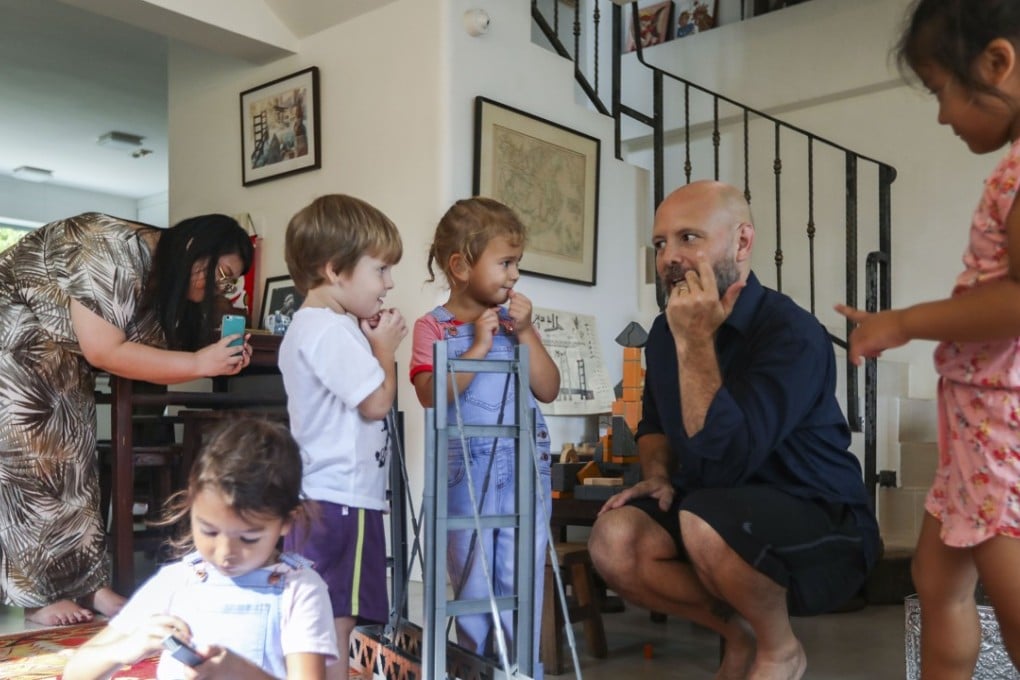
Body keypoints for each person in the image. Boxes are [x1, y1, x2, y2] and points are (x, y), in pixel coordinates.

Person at [589, 180, 880, 680]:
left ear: (742, 243)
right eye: (661, 244)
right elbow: (655, 422)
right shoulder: (663, 331)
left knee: (706, 517)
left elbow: (727, 459)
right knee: (614, 538)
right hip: (712, 511)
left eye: (689, 238)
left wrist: (697, 344)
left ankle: (779, 648)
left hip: (819, 518)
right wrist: (658, 473)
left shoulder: (791, 333)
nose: (670, 258)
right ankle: (737, 636)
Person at [836, 1, 1020, 675]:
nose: (942, 115)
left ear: (997, 63)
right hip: (974, 425)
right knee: (939, 581)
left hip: (998, 424)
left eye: (943, 91)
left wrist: (903, 321)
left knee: (1010, 593)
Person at [0, 212, 255, 627]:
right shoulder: (113, 248)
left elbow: (138, 356)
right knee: (32, 464)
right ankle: (38, 596)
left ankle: (88, 584)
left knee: (76, 465)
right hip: (13, 332)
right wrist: (198, 361)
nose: (221, 288)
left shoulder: (160, 275)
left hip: (61, 353)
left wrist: (215, 357)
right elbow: (105, 351)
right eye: (223, 276)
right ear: (195, 251)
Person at [62, 417, 338, 680]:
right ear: (192, 506)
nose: (225, 552)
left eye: (249, 538)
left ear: (287, 522)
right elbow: (74, 672)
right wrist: (126, 648)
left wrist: (244, 674)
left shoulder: (300, 591)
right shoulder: (178, 581)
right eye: (209, 531)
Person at [410, 197, 560, 676]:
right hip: (466, 477)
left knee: (523, 574)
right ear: (460, 266)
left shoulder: (517, 327)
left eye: (517, 264)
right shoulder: (432, 327)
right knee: (472, 581)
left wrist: (528, 333)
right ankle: (475, 669)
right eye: (505, 262)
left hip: (521, 469)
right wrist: (476, 346)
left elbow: (548, 388)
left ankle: (521, 668)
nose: (514, 275)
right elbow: (431, 394)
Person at [277, 194, 406, 680]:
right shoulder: (331, 331)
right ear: (335, 270)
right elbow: (375, 403)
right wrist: (385, 349)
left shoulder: (311, 326)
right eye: (381, 270)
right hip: (344, 503)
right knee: (339, 615)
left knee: (319, 607)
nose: (388, 283)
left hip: (320, 496)